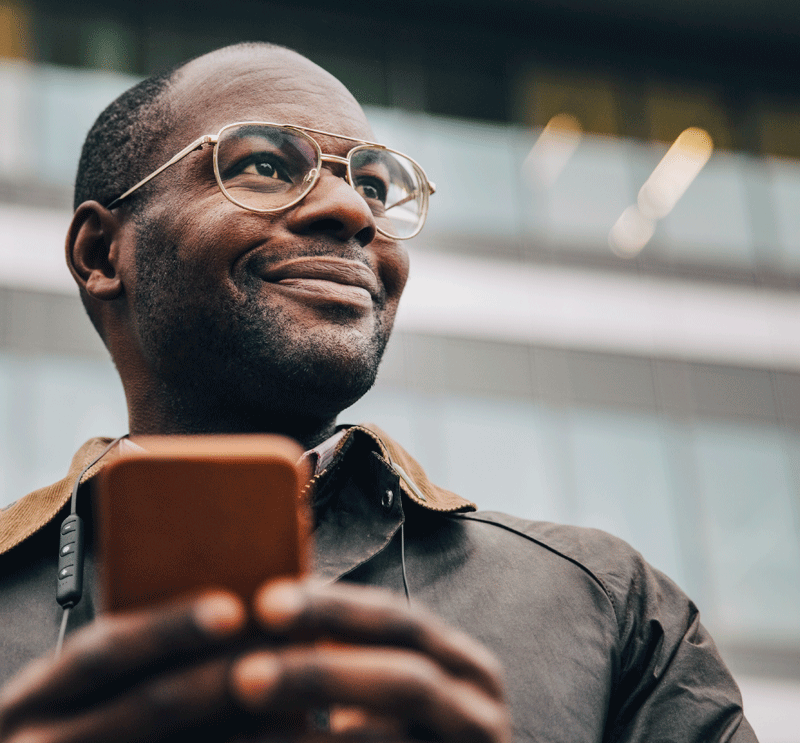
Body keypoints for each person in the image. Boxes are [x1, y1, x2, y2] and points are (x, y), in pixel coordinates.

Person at [0, 42, 757, 742]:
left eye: (371, 184)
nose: (355, 213)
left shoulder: (610, 604)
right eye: (265, 165)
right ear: (102, 253)